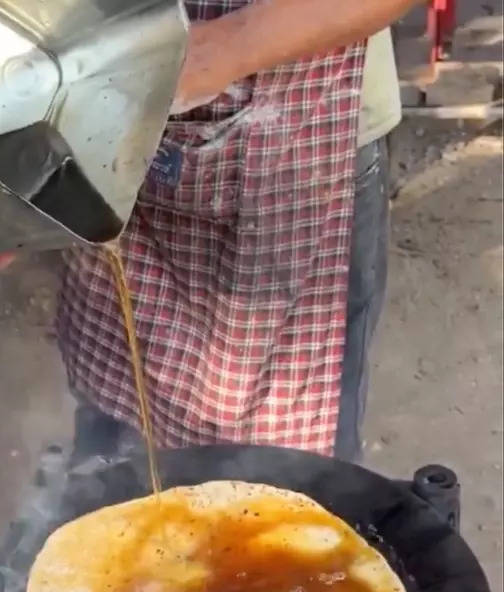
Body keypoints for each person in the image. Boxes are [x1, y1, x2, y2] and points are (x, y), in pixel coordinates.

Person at [56, 2, 412, 468]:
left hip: (297, 134)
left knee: (289, 487)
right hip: (98, 102)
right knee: (111, 457)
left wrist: (231, 44)